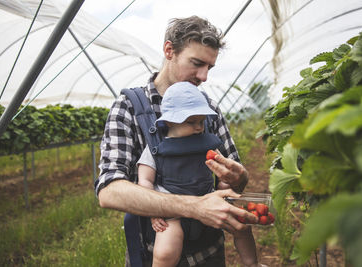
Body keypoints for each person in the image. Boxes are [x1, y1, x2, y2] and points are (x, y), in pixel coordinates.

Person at [95, 15, 258, 266]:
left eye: (209, 68)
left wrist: (239, 176)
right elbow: (109, 191)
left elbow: (234, 179)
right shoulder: (128, 107)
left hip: (209, 253)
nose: (203, 76)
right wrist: (192, 207)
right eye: (196, 63)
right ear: (169, 50)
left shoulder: (209, 110)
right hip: (154, 253)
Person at [137, 81, 258, 267]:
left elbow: (222, 173)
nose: (199, 127)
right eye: (191, 122)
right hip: (173, 210)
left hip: (210, 203)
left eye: (202, 121)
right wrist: (154, 210)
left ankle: (252, 264)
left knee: (242, 227)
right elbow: (145, 180)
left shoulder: (208, 144)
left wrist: (226, 183)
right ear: (169, 121)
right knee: (165, 252)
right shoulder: (156, 148)